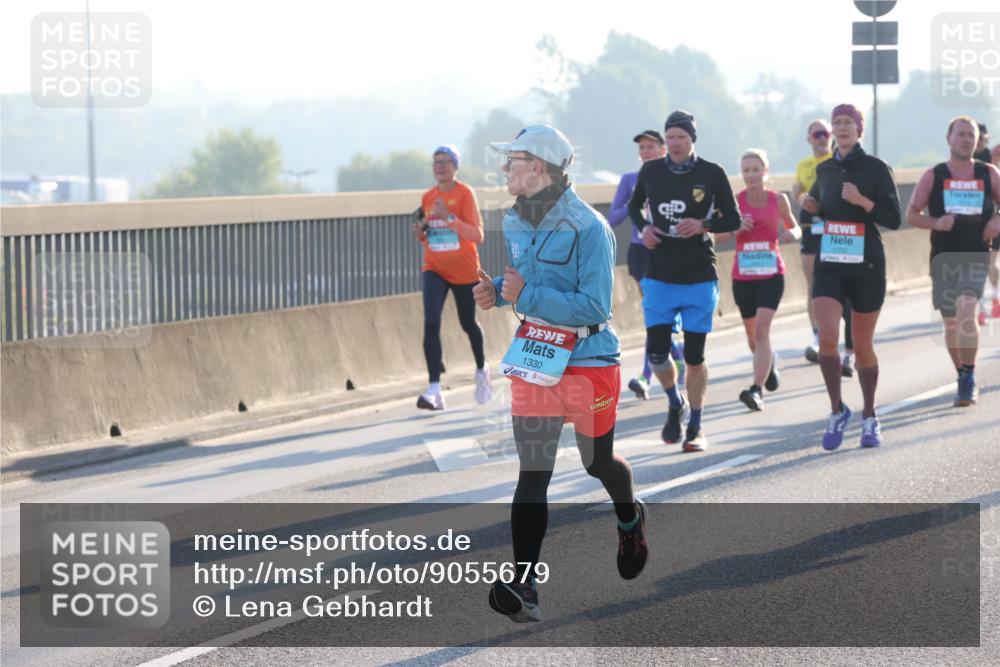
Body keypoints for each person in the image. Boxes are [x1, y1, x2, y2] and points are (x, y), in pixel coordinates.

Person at [474, 125, 648, 623]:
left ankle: (630, 517)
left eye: (514, 159)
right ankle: (525, 585)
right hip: (535, 358)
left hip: (589, 359)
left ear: (541, 168)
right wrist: (498, 295)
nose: (505, 168)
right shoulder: (514, 220)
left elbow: (593, 304)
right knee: (533, 475)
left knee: (598, 464)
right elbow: (524, 288)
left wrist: (522, 295)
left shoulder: (590, 228)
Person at [628, 110, 742, 452]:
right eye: (671, 137)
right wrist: (645, 227)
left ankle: (695, 425)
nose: (676, 143)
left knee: (694, 357)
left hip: (698, 275)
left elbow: (733, 218)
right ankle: (674, 401)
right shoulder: (651, 171)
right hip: (660, 274)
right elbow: (635, 208)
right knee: (658, 354)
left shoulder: (712, 173)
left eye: (682, 137)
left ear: (692, 139)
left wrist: (703, 225)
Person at [800, 104, 901, 450]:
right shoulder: (825, 169)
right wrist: (809, 205)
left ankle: (870, 415)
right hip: (830, 261)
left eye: (848, 122)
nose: (842, 127)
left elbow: (894, 218)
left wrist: (863, 201)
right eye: (837, 122)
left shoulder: (875, 168)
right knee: (827, 337)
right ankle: (836, 409)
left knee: (861, 346)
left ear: (859, 129)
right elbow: (812, 206)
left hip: (867, 264)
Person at [905, 116, 1000, 406]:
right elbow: (911, 215)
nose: (966, 140)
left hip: (975, 253)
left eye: (971, 135)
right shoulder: (934, 175)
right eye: (960, 134)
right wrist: (936, 222)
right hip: (944, 257)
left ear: (977, 140)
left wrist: (997, 220)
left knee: (967, 311)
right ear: (949, 139)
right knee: (950, 325)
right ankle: (960, 373)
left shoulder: (988, 173)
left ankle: (969, 376)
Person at [715, 149, 801, 411]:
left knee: (762, 329)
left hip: (771, 273)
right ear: (741, 174)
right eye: (746, 170)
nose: (751, 174)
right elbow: (714, 236)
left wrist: (792, 235)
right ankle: (769, 362)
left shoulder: (779, 200)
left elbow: (794, 226)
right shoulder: (734, 202)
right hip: (743, 275)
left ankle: (756, 389)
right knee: (753, 337)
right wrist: (735, 228)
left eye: (756, 169)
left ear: (766, 171)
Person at [412, 145, 491, 411]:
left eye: (446, 162)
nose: (440, 166)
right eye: (436, 162)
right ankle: (434, 389)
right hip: (435, 267)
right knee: (431, 320)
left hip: (465, 270)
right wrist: (420, 231)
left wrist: (450, 218)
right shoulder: (427, 197)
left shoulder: (465, 193)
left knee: (468, 323)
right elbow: (425, 235)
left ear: (455, 166)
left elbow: (477, 235)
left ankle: (482, 370)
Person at [607, 129, 685, 400]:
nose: (646, 152)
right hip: (641, 252)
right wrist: (632, 204)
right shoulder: (630, 180)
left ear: (663, 150)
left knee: (656, 315)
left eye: (651, 147)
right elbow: (613, 218)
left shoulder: (673, 177)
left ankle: (646, 375)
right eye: (642, 148)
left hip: (669, 250)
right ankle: (675, 353)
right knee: (655, 313)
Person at [793, 120, 856, 376]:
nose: (822, 138)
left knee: (846, 289)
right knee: (814, 285)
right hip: (812, 231)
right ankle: (818, 337)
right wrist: (802, 198)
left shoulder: (838, 161)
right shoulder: (804, 166)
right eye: (817, 134)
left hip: (837, 230)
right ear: (809, 138)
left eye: (826, 134)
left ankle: (849, 346)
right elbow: (797, 190)